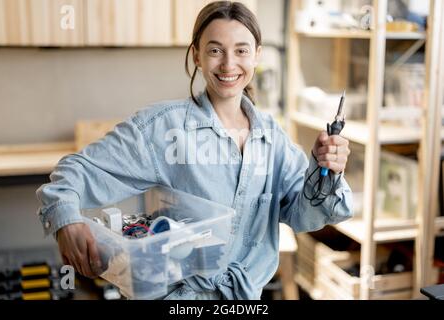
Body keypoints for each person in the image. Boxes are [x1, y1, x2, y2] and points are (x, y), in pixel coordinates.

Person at [36, 1, 352, 300]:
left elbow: (303, 216)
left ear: (256, 55)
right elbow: (76, 172)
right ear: (197, 56)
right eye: (215, 50)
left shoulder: (273, 138)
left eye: (241, 50)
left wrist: (327, 170)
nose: (229, 63)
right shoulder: (163, 128)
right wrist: (65, 219)